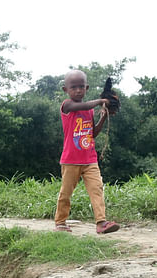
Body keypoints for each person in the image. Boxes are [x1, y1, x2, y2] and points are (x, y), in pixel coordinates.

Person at [54, 70, 120, 235]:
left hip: (89, 159)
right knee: (66, 192)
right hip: (70, 160)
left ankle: (101, 222)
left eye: (81, 87)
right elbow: (83, 105)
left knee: (96, 189)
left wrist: (103, 117)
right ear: (65, 90)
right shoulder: (67, 106)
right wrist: (99, 101)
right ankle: (60, 221)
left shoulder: (90, 111)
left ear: (86, 87)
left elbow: (92, 133)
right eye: (73, 87)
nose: (78, 90)